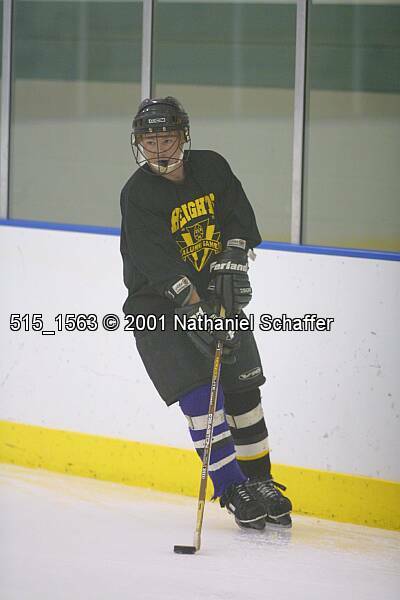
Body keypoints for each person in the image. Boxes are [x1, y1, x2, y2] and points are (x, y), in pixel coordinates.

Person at [120, 96, 292, 530]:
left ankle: (260, 480)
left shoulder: (212, 167)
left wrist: (234, 256)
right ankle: (232, 487)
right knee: (200, 396)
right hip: (158, 312)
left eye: (166, 137)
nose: (158, 148)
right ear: (138, 143)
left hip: (215, 297)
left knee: (243, 390)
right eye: (149, 140)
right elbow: (155, 262)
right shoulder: (137, 194)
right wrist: (196, 309)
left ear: (183, 135)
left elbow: (238, 217)